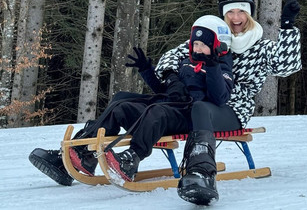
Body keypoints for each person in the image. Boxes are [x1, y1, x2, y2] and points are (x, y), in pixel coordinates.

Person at [28, 15, 233, 198]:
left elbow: (220, 98)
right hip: (169, 105)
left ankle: (131, 160)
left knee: (156, 111)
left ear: (217, 46)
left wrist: (213, 66)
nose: (197, 49)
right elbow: (165, 90)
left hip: (188, 115)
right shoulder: (185, 64)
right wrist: (147, 70)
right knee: (121, 104)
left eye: (202, 45)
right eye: (194, 44)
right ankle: (81, 154)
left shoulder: (220, 67)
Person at [154, 0, 302, 205]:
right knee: (157, 106)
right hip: (198, 103)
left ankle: (202, 174)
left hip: (232, 109)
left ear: (249, 15)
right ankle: (96, 149)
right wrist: (172, 77)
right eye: (230, 12)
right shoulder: (211, 39)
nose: (235, 18)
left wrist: (287, 26)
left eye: (241, 12)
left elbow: (287, 66)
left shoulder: (260, 48)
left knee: (201, 109)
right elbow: (170, 57)